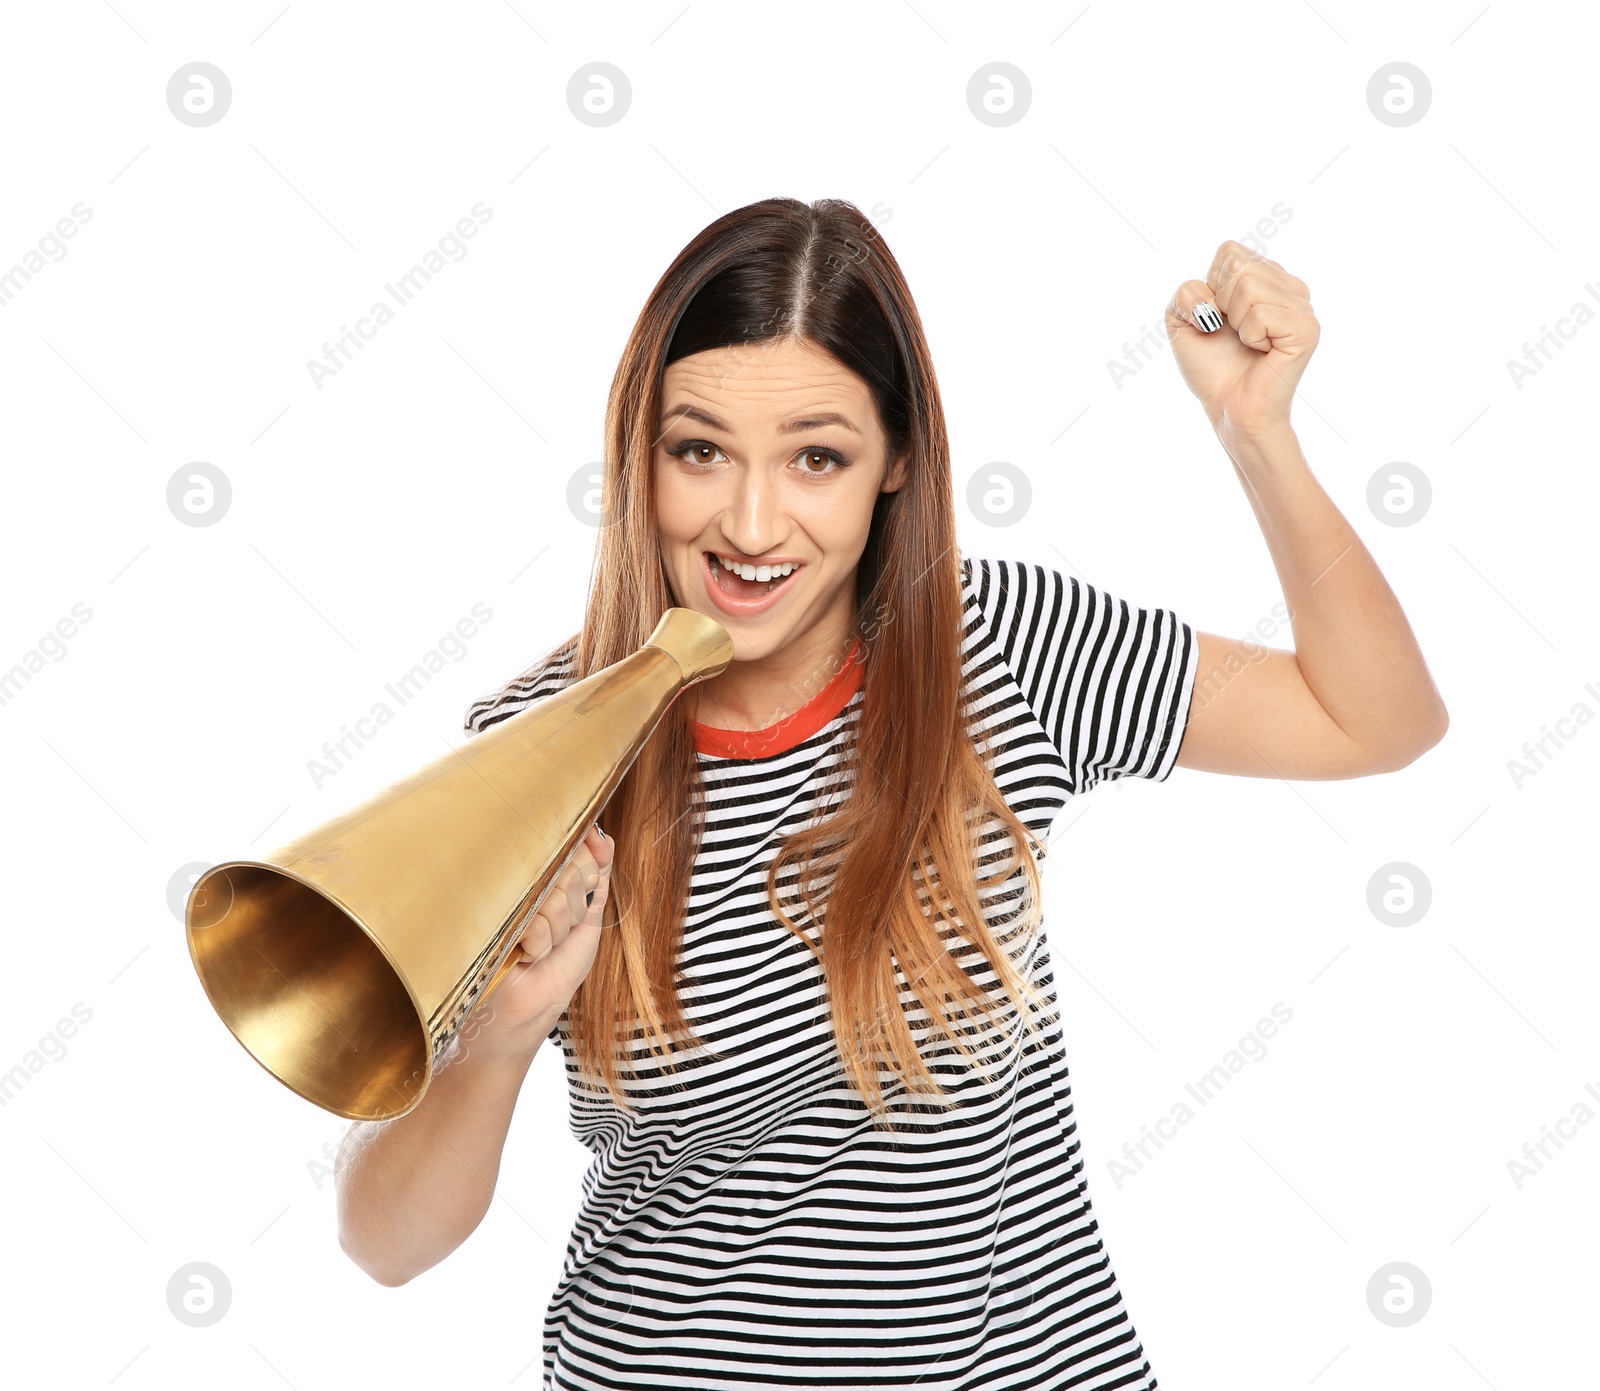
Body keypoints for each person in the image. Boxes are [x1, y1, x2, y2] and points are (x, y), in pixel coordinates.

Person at [335, 198, 1448, 1389]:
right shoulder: (535, 746)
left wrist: (1254, 432)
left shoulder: (999, 643)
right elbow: (385, 1241)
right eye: (697, 448)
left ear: (896, 458)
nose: (749, 523)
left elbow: (1377, 721)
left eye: (817, 455)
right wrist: (500, 1031)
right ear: (638, 451)